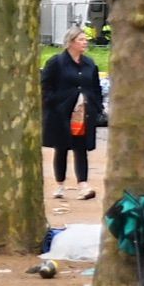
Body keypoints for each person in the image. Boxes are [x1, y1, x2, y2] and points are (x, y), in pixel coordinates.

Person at [40, 29, 106, 201]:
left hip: (83, 112)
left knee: (81, 148)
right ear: (71, 42)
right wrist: (53, 102)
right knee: (61, 148)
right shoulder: (56, 62)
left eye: (86, 40)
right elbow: (46, 85)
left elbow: (95, 87)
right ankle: (60, 183)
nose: (85, 42)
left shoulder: (90, 64)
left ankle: (83, 184)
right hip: (61, 112)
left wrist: (96, 106)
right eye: (81, 39)